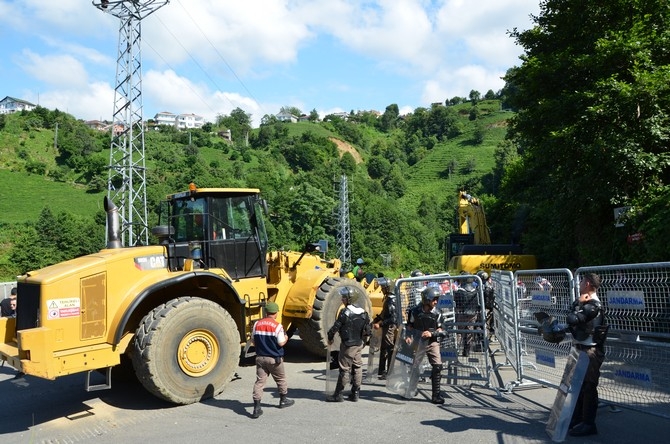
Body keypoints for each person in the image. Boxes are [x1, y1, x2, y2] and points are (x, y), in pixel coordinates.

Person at [568, 273, 608, 437]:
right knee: (578, 386)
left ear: (589, 284)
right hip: (581, 347)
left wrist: (578, 307)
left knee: (589, 387)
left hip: (591, 350)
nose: (580, 283)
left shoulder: (594, 305)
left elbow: (574, 319)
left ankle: (588, 424)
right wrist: (577, 304)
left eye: (582, 281)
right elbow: (572, 314)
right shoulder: (584, 302)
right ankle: (577, 418)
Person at [250, 301, 295, 419]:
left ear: (266, 312)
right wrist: (286, 337)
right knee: (280, 379)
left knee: (259, 382)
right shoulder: (277, 326)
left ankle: (256, 408)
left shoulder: (256, 324)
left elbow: (253, 341)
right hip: (274, 359)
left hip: (260, 358)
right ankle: (283, 400)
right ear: (275, 313)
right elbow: (281, 342)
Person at [326, 286, 371, 402]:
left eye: (344, 298)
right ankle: (355, 393)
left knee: (344, 369)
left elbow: (335, 327)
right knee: (357, 367)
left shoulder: (345, 312)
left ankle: (338, 394)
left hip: (348, 344)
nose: (342, 300)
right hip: (359, 344)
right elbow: (368, 331)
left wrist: (330, 337)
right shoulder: (363, 313)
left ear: (349, 299)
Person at [405, 286, 445, 404]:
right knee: (414, 366)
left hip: (432, 342)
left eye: (437, 299)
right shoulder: (414, 311)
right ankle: (411, 390)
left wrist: (432, 333)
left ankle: (436, 395)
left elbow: (443, 330)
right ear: (427, 299)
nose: (436, 302)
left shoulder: (438, 313)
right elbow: (409, 325)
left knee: (437, 366)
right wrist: (408, 336)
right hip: (418, 342)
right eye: (434, 299)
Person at [372, 277, 397, 379]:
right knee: (384, 348)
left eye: (383, 287)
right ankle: (382, 370)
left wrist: (380, 324)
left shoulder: (391, 300)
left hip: (389, 327)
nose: (381, 289)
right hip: (386, 326)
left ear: (388, 288)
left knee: (389, 348)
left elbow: (392, 318)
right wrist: (377, 319)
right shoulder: (388, 298)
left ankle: (389, 372)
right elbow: (384, 314)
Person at [454, 274, 480, 357]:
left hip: (461, 314)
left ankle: (457, 350)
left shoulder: (459, 291)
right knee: (469, 332)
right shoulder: (476, 291)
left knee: (459, 332)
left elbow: (457, 304)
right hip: (472, 314)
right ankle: (467, 350)